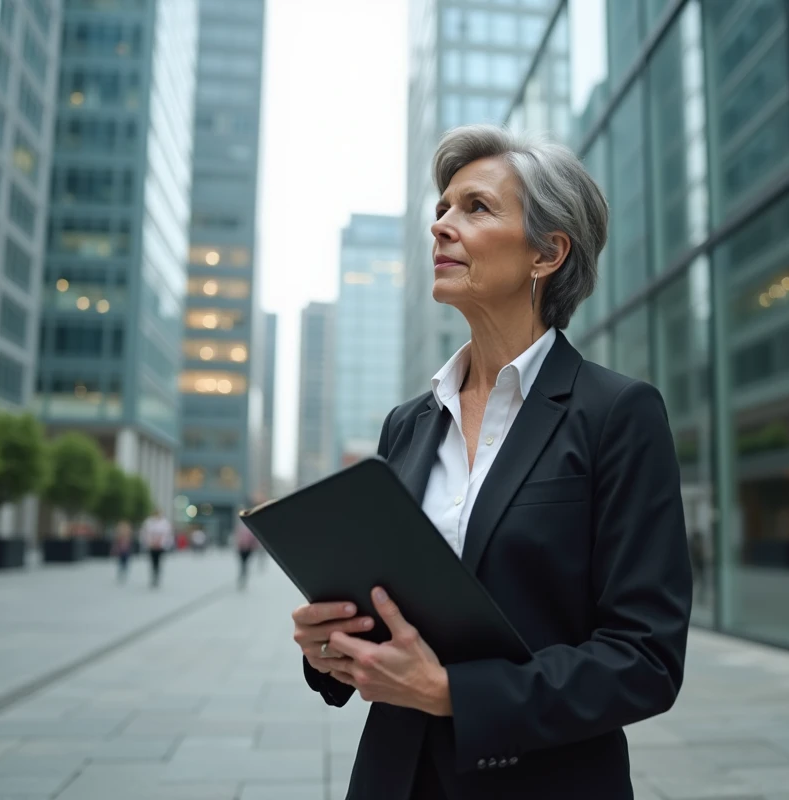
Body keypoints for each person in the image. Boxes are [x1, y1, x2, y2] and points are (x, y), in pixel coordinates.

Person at [290, 125, 692, 800]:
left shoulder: (618, 414)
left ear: (547, 253)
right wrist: (331, 644)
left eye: (475, 207)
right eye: (442, 207)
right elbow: (389, 615)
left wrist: (452, 693)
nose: (441, 225)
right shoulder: (408, 424)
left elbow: (645, 658)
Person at [139, 509, 173, 588]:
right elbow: (144, 533)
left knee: (159, 561)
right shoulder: (149, 522)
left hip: (161, 546)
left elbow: (168, 535)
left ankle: (157, 575)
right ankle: (154, 575)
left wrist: (164, 543)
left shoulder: (165, 523)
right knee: (153, 561)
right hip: (151, 545)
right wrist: (148, 542)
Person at [235, 524, 258, 589]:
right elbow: (238, 539)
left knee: (244, 564)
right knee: (243, 564)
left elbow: (253, 541)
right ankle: (242, 576)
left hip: (247, 550)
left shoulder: (249, 530)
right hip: (243, 549)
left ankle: (243, 576)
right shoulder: (243, 530)